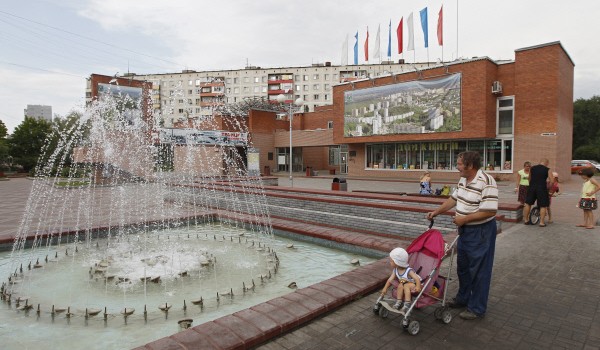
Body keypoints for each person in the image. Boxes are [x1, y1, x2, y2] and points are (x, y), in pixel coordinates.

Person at [426, 151, 498, 320]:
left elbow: (489, 210)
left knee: (479, 270)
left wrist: (464, 219)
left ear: (470, 166)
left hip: (480, 232)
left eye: (459, 164)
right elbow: (453, 199)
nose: (457, 167)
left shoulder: (486, 181)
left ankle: (477, 308)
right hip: (465, 231)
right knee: (463, 268)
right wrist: (436, 212)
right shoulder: (463, 179)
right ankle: (463, 298)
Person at [378, 247, 422, 315]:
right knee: (400, 285)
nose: (390, 262)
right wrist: (385, 289)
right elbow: (390, 280)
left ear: (397, 262)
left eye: (391, 261)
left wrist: (418, 286)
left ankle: (407, 304)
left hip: (414, 284)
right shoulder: (395, 270)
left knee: (405, 285)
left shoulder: (408, 271)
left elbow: (417, 278)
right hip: (405, 283)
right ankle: (399, 301)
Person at [522, 158, 555, 227]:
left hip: (532, 188)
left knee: (528, 203)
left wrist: (531, 185)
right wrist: (549, 188)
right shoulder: (547, 169)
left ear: (540, 162)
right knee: (543, 205)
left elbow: (529, 178)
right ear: (546, 163)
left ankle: (526, 220)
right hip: (542, 189)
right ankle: (542, 222)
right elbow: (552, 181)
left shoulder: (532, 168)